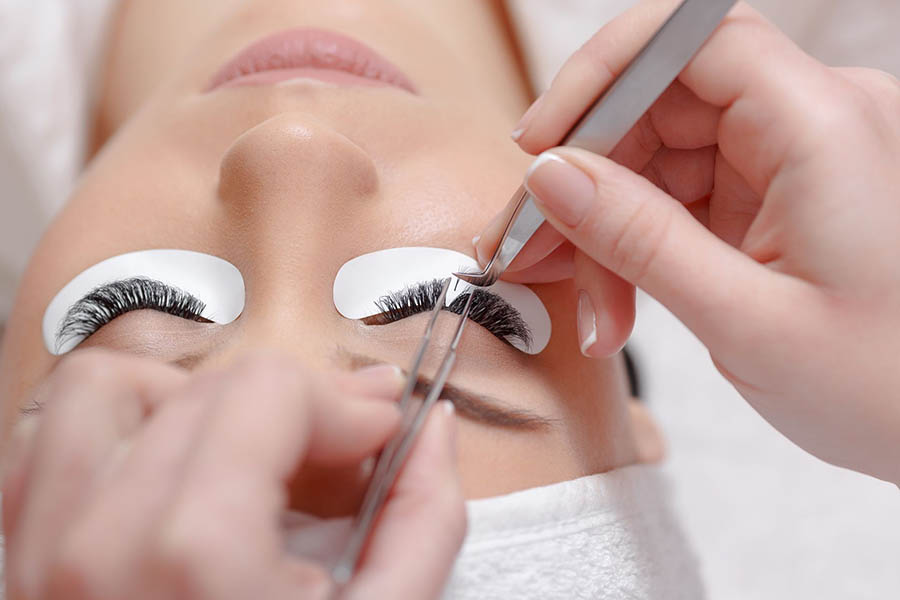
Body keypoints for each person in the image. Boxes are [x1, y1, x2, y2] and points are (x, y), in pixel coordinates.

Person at [1, 1, 898, 599]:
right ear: (630, 420)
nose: (293, 146)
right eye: (452, 314)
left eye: (133, 311)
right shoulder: (844, 93)